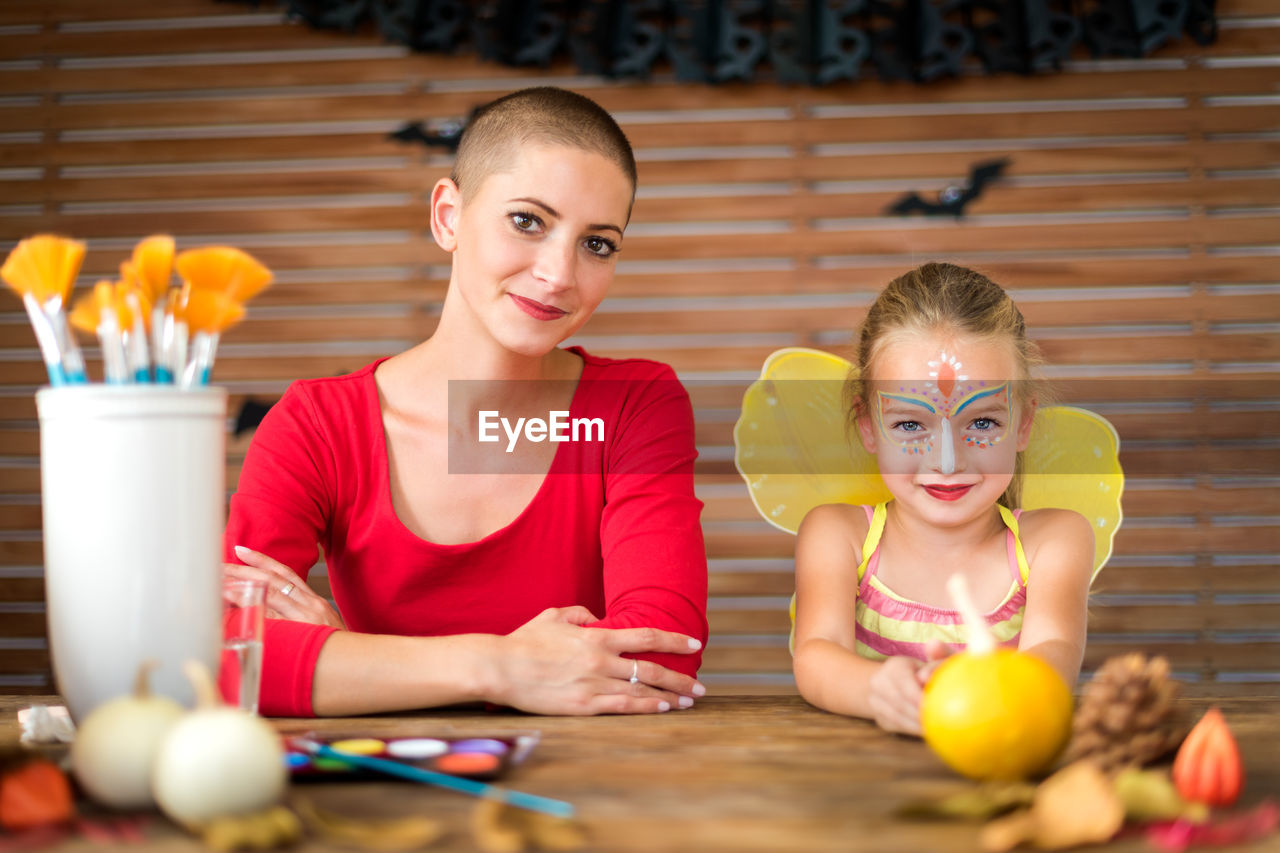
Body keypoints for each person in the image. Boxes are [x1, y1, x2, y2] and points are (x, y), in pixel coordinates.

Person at [223, 87, 708, 718]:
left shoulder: (630, 407)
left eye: (598, 244)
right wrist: (499, 667)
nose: (559, 274)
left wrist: (351, 655)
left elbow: (660, 656)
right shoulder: (318, 425)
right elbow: (228, 657)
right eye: (527, 221)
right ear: (448, 216)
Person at [791, 262, 1095, 735]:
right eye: (911, 425)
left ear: (1024, 423)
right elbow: (816, 655)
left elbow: (1051, 661)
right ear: (868, 425)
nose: (947, 462)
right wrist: (878, 689)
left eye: (982, 423)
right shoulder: (837, 534)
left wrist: (966, 694)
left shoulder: (1054, 540)